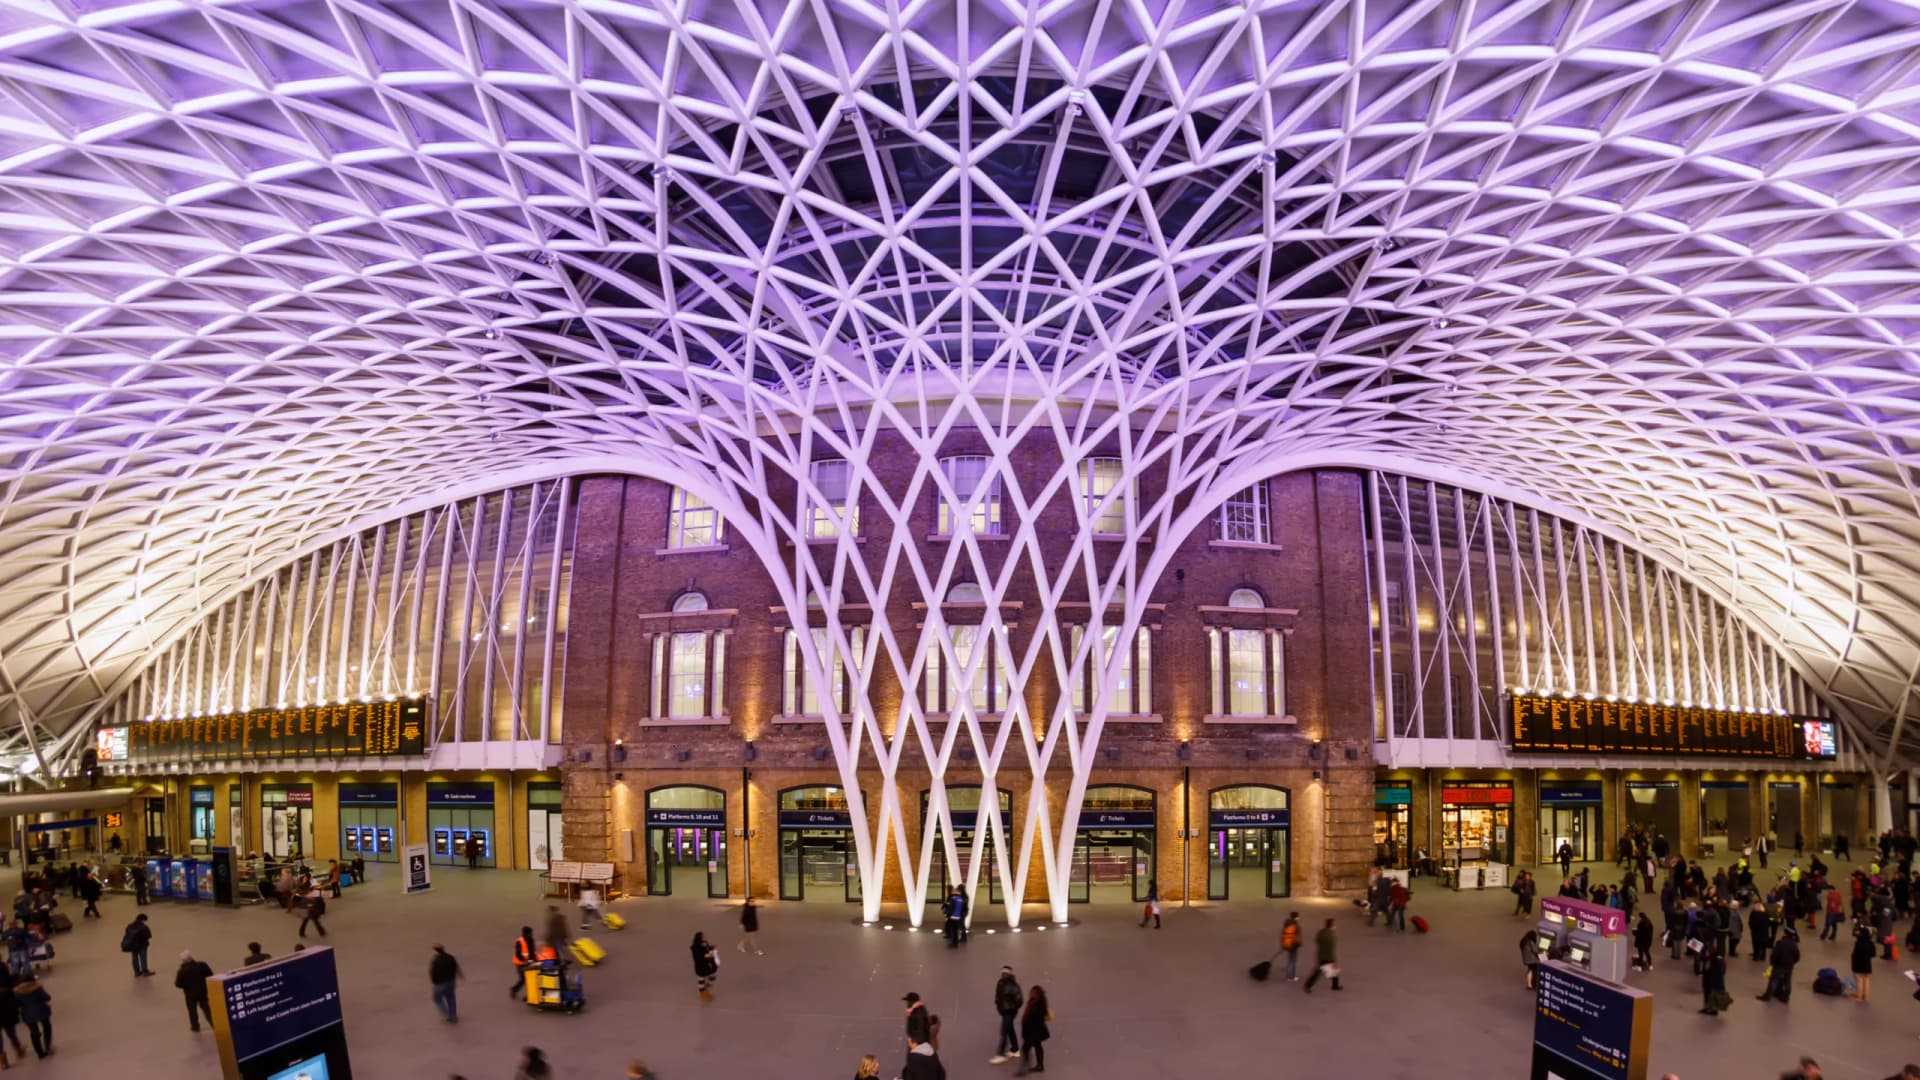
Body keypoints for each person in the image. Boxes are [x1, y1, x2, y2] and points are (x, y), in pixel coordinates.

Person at [174, 950, 215, 1032]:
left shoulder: (182, 971)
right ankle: (213, 1023)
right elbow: (210, 975)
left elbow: (178, 984)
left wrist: (186, 986)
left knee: (192, 1010)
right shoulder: (202, 965)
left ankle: (195, 1026)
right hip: (203, 991)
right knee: (206, 1008)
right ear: (192, 957)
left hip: (190, 994)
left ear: (183, 961)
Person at [1757, 927, 1800, 1004]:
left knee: (1773, 980)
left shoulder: (1780, 943)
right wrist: (1792, 963)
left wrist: (1772, 962)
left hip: (1779, 965)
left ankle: (1767, 996)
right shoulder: (1794, 944)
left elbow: (1775, 954)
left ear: (1785, 933)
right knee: (1787, 981)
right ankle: (1785, 997)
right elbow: (1797, 957)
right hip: (1789, 966)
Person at [12, 976, 48, 1059]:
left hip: (27, 1014)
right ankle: (47, 1045)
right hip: (41, 1011)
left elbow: (17, 1004)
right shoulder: (37, 988)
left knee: (34, 1032)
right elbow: (47, 997)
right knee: (46, 1026)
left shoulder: (17, 992)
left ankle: (40, 1052)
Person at [991, 966, 1022, 1064]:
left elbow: (1019, 1000)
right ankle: (1015, 1049)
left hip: (1009, 1012)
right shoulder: (1000, 982)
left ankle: (1000, 1054)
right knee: (1010, 1029)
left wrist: (1012, 1008)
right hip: (1004, 1011)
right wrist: (997, 1001)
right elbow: (998, 994)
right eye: (1003, 973)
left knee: (1004, 1032)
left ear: (1010, 974)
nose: (1004, 975)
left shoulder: (1013, 986)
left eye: (1006, 973)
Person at [1016, 986, 1049, 1076]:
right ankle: (1040, 1066)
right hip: (1032, 1031)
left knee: (1025, 1048)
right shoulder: (1032, 1002)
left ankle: (1024, 1069)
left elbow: (1038, 1017)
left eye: (1034, 993)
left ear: (1038, 994)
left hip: (1034, 1032)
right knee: (1038, 1046)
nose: (1031, 994)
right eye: (1031, 992)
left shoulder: (1040, 1004)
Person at [1304, 918, 1342, 992]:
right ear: (1332, 926)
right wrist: (1333, 960)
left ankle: (1335, 985)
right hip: (1327, 958)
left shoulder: (1321, 932)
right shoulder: (1331, 936)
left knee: (1326, 972)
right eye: (1334, 925)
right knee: (1320, 973)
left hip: (1320, 955)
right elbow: (1330, 950)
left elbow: (1317, 940)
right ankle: (1307, 986)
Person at [429, 943, 461, 1023]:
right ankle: (453, 1016)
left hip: (440, 984)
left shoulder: (435, 960)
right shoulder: (450, 957)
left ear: (436, 951)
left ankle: (447, 1015)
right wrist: (460, 975)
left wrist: (433, 981)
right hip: (451, 981)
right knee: (451, 999)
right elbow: (456, 967)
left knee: (437, 999)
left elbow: (432, 971)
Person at [1697, 941, 1728, 1016]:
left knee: (1712, 992)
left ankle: (1713, 1009)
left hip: (1714, 979)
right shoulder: (1710, 957)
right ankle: (1708, 1008)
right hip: (1709, 978)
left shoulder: (1718, 959)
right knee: (1707, 992)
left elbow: (1721, 970)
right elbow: (1703, 958)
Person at [510, 926, 539, 999]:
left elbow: (532, 952)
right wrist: (527, 961)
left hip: (528, 962)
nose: (531, 934)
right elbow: (518, 954)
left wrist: (536, 961)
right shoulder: (519, 941)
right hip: (520, 963)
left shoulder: (531, 940)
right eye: (530, 933)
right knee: (524, 979)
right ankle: (515, 990)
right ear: (525, 933)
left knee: (527, 978)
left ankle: (519, 991)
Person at [691, 931, 718, 1002]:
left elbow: (707, 948)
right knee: (701, 980)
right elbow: (699, 956)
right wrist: (708, 955)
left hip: (707, 965)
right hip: (700, 966)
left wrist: (712, 947)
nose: (705, 937)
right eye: (703, 936)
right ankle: (703, 994)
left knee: (712, 976)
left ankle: (706, 989)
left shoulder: (705, 943)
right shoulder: (695, 947)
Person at [122, 912, 153, 976]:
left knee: (134, 958)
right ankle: (145, 971)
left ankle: (137, 972)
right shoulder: (144, 927)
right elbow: (149, 935)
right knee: (143, 958)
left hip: (133, 945)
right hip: (142, 945)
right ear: (143, 919)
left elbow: (127, 935)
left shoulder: (129, 926)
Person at [1852, 922, 1875, 1002]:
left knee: (1859, 980)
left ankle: (1859, 996)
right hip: (1867, 964)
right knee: (1866, 979)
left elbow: (1855, 954)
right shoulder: (1870, 943)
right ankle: (1866, 996)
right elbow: (1873, 954)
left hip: (1858, 964)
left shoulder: (1859, 942)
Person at [1280, 912, 1303, 982]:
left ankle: (1289, 975)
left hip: (1287, 943)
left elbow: (1283, 933)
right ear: (1296, 917)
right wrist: (1299, 944)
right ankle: (1291, 977)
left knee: (1289, 959)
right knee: (1293, 961)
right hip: (1293, 945)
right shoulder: (1296, 925)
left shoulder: (1286, 923)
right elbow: (1297, 937)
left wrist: (1283, 944)